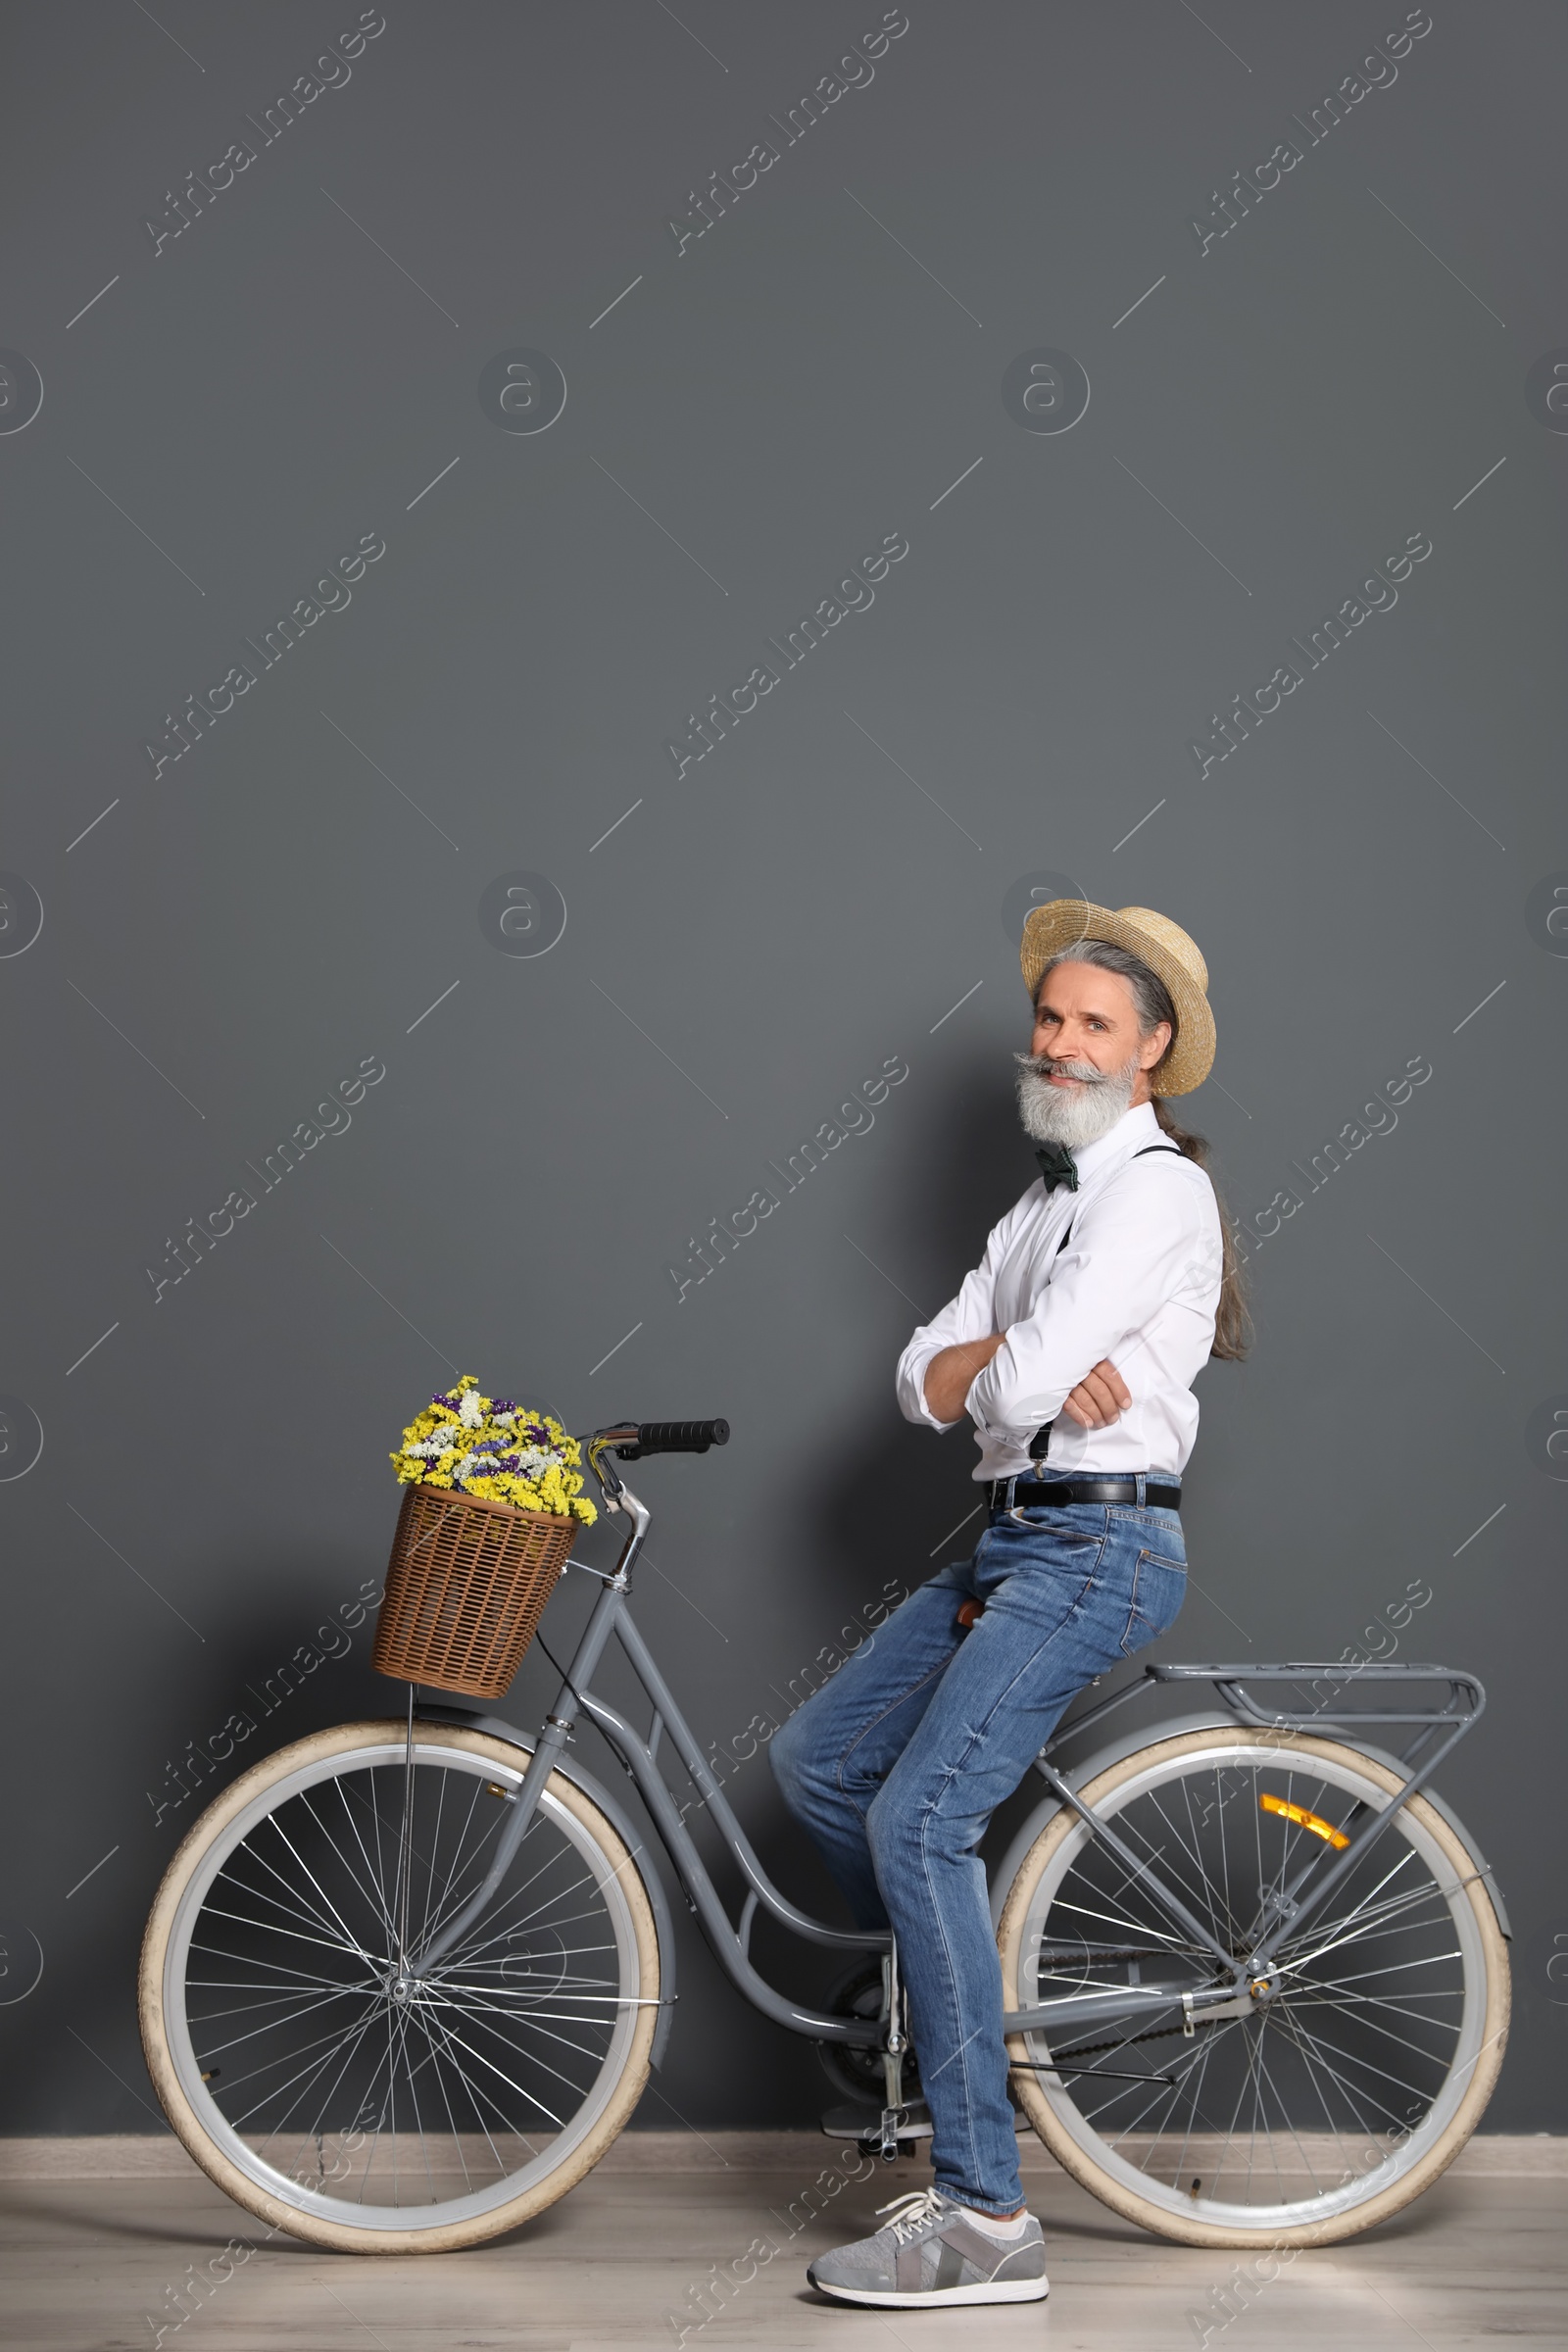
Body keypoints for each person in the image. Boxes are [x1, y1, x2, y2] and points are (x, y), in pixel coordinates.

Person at [771, 900, 1250, 2310]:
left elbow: (997, 1390)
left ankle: (987, 2221)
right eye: (1050, 1017)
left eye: (1094, 1022)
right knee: (821, 1768)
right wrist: (1020, 1364)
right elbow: (918, 1379)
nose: (1061, 1041)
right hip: (1012, 1537)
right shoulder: (1041, 1204)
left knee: (920, 1819)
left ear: (1152, 1051)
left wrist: (1015, 1376)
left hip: (1095, 1549)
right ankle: (943, 2006)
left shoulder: (1158, 1192)